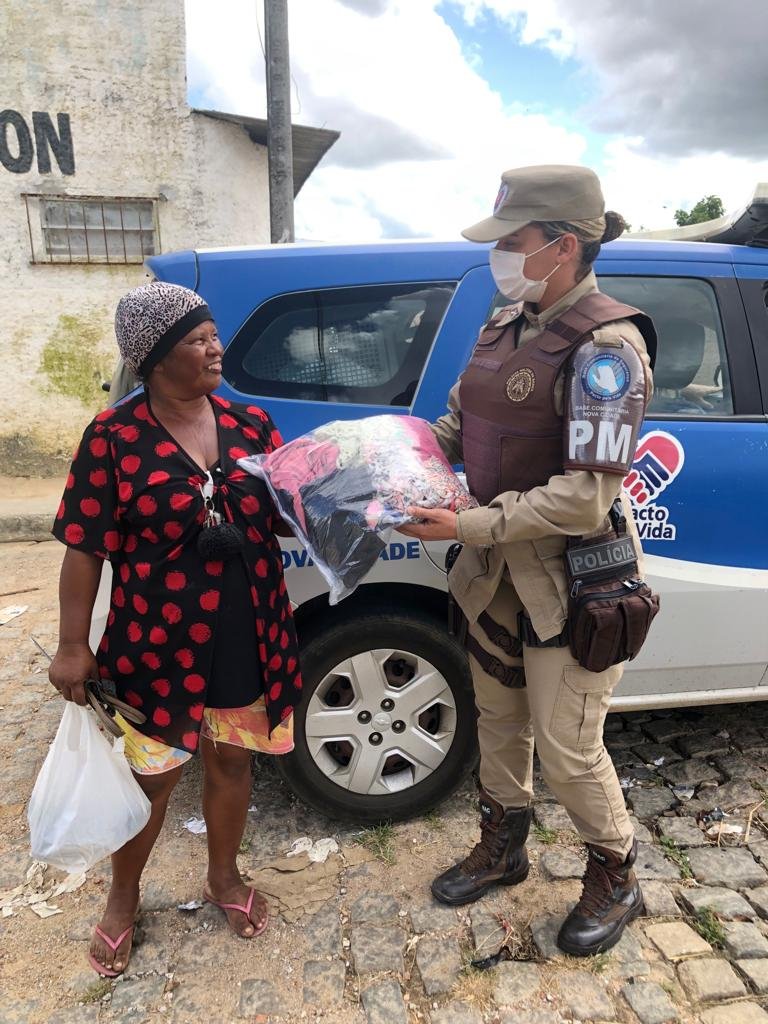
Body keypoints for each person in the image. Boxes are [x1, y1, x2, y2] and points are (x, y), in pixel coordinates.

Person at [398, 165, 656, 957]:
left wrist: (468, 523)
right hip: (494, 576)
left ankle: (616, 872)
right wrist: (391, 456)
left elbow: (584, 497)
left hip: (572, 579)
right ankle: (503, 846)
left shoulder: (608, 347)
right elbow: (458, 424)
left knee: (568, 744)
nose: (501, 256)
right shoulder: (505, 321)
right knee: (500, 720)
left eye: (514, 241)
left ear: (564, 246)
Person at [48, 282, 302, 976]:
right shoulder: (113, 437)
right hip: (155, 643)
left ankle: (224, 878)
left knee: (232, 761)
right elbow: (84, 546)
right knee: (153, 779)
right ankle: (123, 898)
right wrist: (72, 645)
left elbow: (285, 516)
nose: (216, 348)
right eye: (197, 340)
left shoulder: (251, 424)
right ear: (156, 357)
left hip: (249, 629)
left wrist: (331, 494)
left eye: (214, 334)